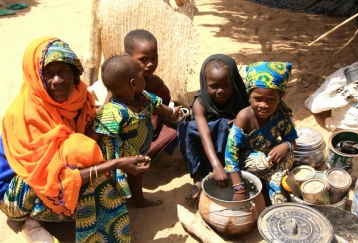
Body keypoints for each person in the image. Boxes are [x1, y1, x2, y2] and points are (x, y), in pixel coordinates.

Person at [0, 36, 151, 243]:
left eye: (63, 71)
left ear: (74, 72)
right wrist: (117, 163)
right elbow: (55, 177)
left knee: (107, 141)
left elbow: (91, 137)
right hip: (19, 192)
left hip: (62, 173)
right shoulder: (25, 115)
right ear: (35, 76)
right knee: (95, 183)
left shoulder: (81, 98)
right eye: (48, 74)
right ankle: (33, 221)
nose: (57, 80)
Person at [88, 54, 181, 208]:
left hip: (139, 150)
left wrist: (172, 111)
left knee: (137, 177)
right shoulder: (113, 112)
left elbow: (158, 107)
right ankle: (116, 205)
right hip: (119, 159)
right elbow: (94, 138)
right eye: (141, 74)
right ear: (133, 83)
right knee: (114, 185)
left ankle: (139, 200)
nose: (144, 74)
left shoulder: (143, 97)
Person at [177, 54, 250, 200]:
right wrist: (216, 166)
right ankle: (198, 178)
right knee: (185, 129)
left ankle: (230, 169)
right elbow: (204, 135)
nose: (220, 90)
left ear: (233, 81)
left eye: (226, 85)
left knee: (225, 124)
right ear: (205, 83)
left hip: (229, 149)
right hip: (206, 147)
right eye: (214, 86)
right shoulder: (200, 103)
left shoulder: (240, 97)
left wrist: (241, 120)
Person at [224, 61, 298, 204]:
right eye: (257, 99)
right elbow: (230, 154)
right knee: (262, 162)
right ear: (249, 95)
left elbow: (292, 139)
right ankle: (272, 179)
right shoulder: (244, 117)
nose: (264, 105)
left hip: (270, 155)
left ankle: (273, 179)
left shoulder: (281, 114)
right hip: (250, 161)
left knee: (289, 154)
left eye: (271, 100)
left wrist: (286, 146)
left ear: (281, 96)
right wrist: (238, 189)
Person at [124, 29, 179, 162]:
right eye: (143, 59)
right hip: (126, 136)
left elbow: (162, 108)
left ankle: (148, 153)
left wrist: (171, 112)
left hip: (149, 132)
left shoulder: (156, 83)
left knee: (174, 132)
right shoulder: (122, 84)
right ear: (128, 58)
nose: (151, 64)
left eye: (154, 58)